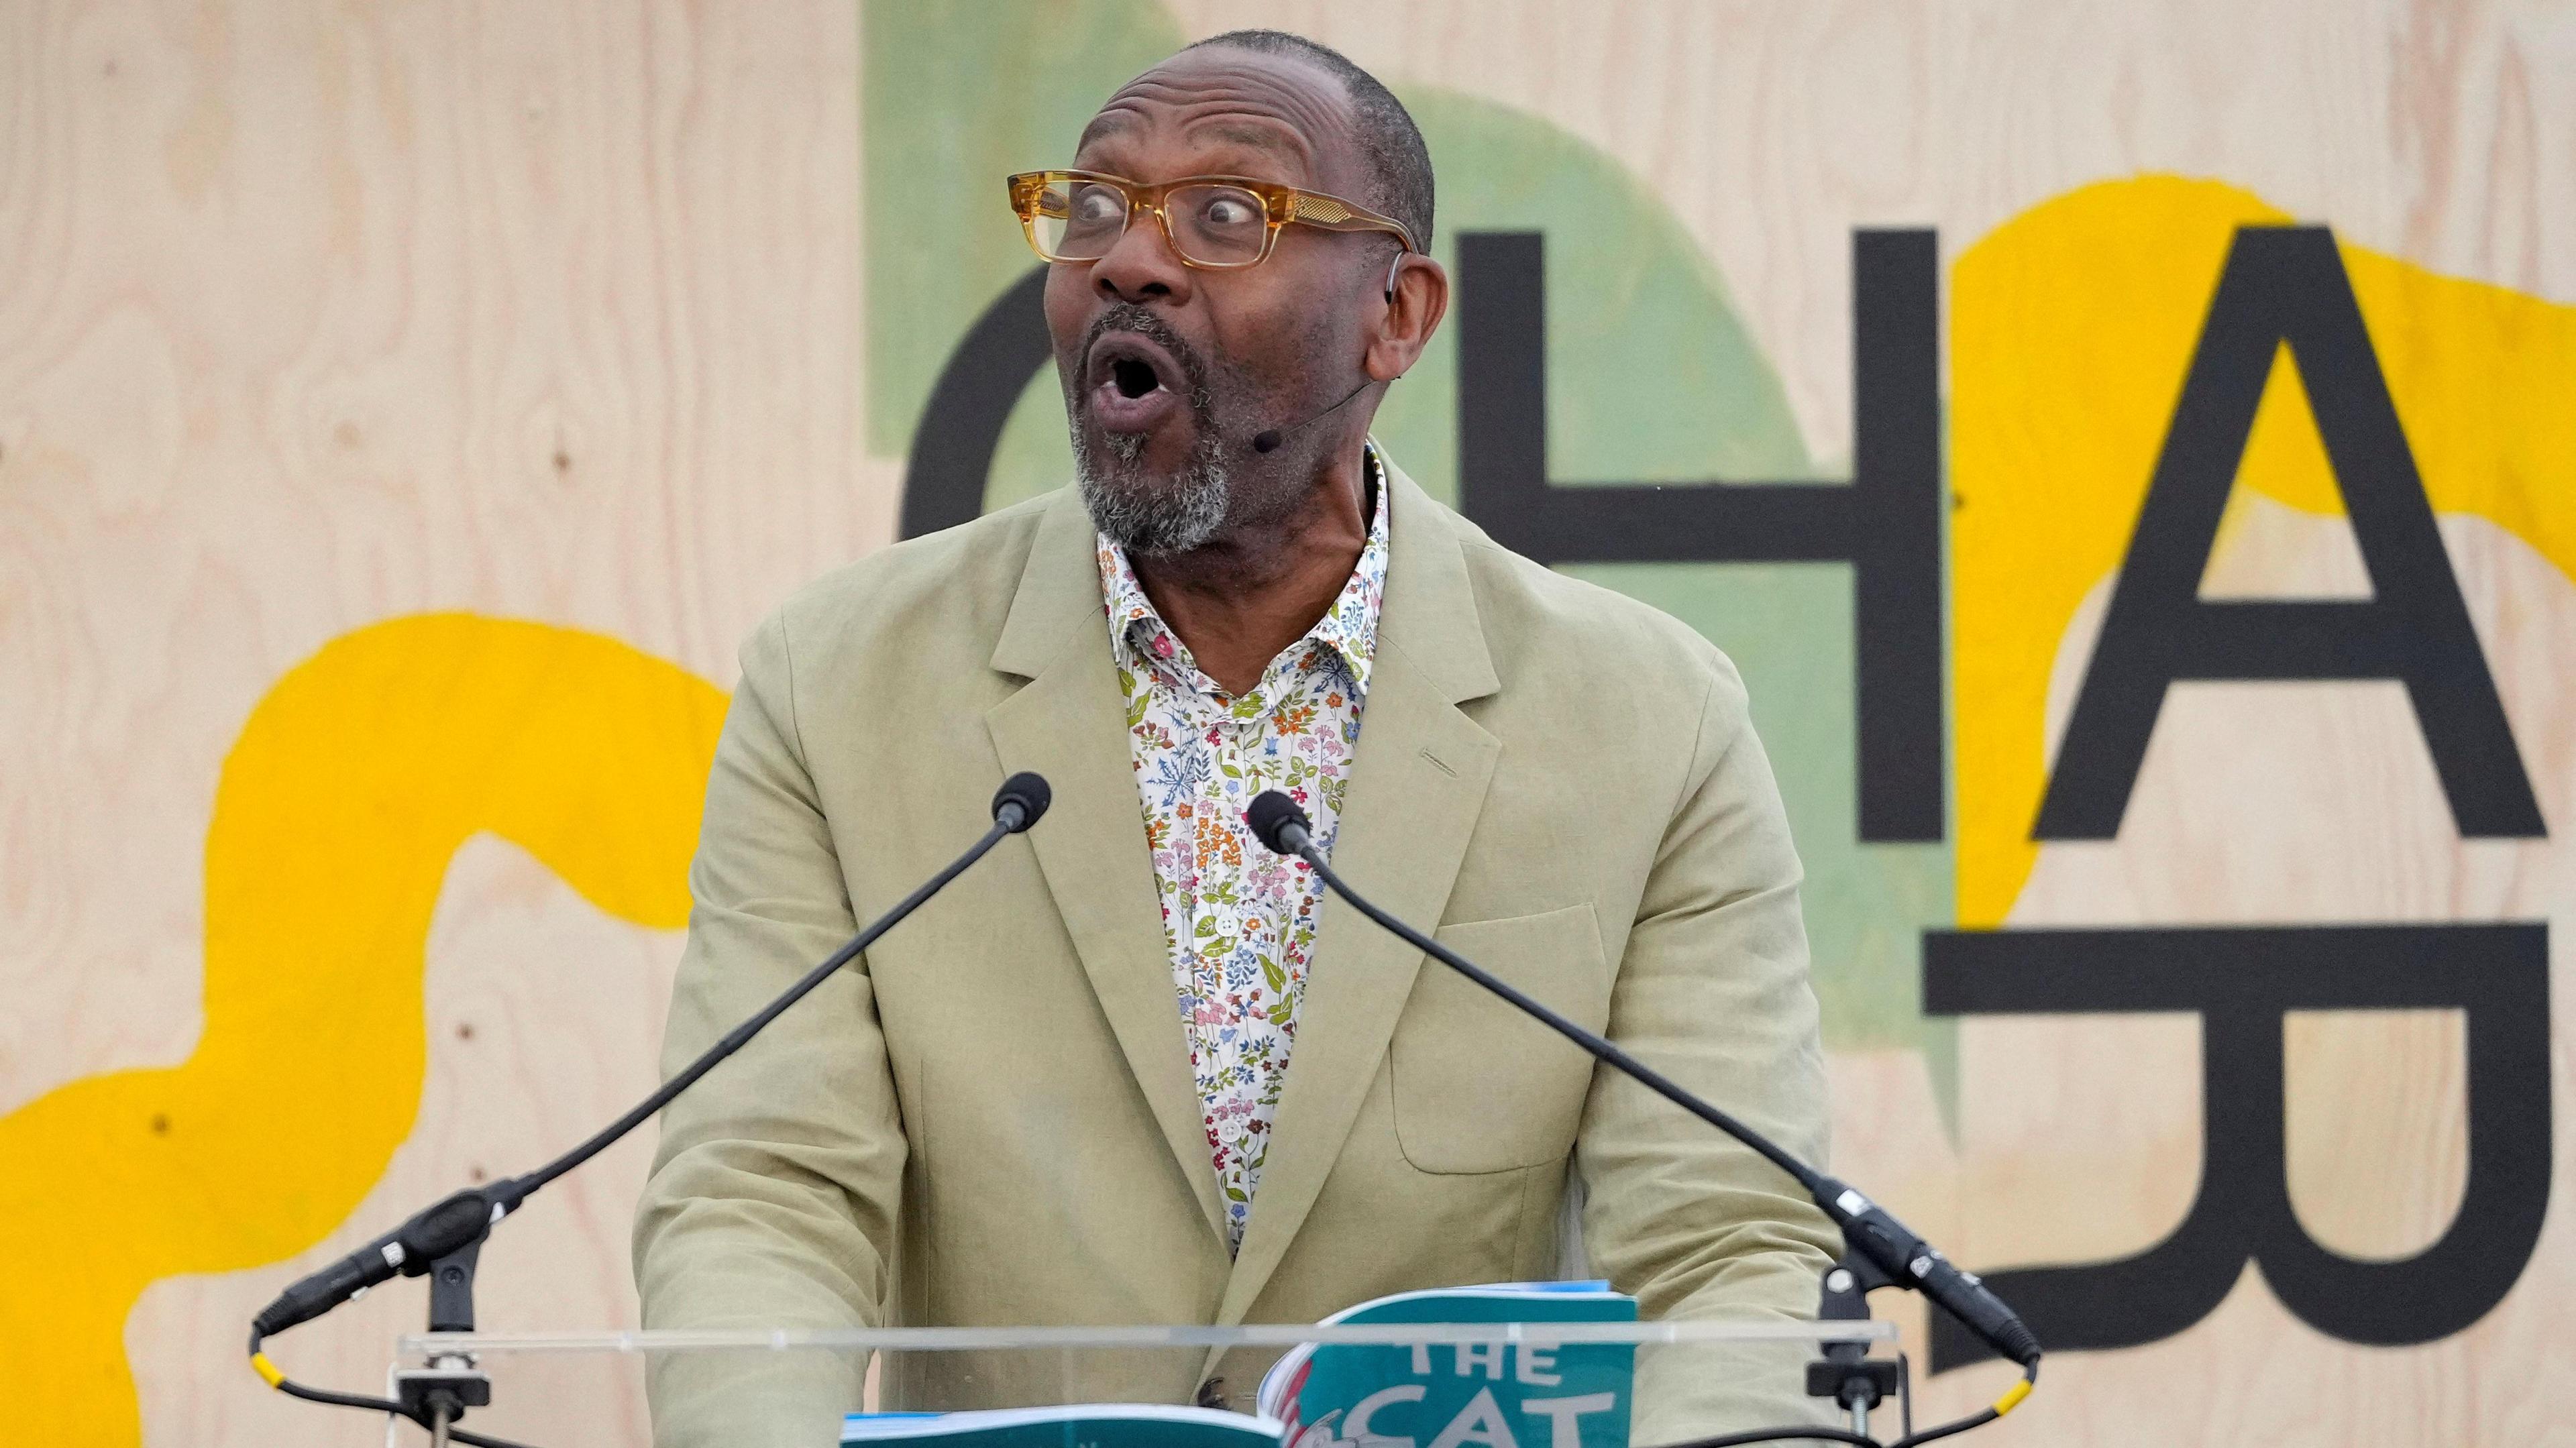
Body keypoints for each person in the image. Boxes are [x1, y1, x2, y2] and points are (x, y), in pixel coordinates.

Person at [634, 29, 1837, 1447]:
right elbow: (761, 1192)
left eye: (1228, 216)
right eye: (1094, 208)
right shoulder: (840, 685)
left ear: (1397, 313)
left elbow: (1728, 1250)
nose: (1130, 262)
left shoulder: (1649, 722)